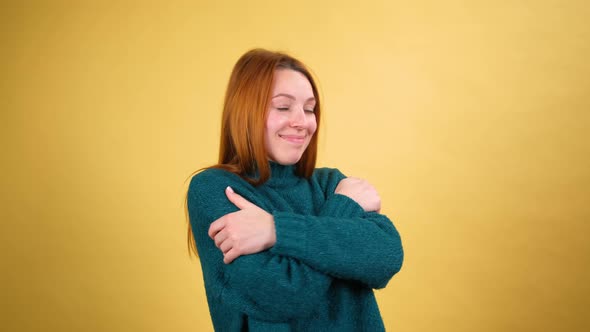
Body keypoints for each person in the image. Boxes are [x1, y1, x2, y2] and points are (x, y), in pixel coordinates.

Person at [186, 48, 403, 331]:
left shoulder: (331, 185)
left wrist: (275, 230)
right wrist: (343, 211)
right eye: (283, 107)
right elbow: (282, 295)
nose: (302, 122)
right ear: (246, 111)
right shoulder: (215, 189)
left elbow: (386, 256)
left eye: (309, 109)